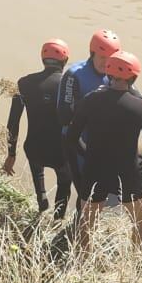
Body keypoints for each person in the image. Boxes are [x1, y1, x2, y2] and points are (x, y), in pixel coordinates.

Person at [63, 51, 142, 250]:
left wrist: (86, 154)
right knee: (139, 222)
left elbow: (71, 138)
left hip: (94, 169)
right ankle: (138, 260)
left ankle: (84, 261)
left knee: (87, 223)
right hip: (127, 171)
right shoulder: (140, 106)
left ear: (108, 74)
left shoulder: (90, 100)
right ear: (134, 77)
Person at [4, 39, 74, 219]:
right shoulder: (70, 87)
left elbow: (12, 123)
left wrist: (11, 154)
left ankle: (42, 202)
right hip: (61, 152)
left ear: (43, 59)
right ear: (65, 61)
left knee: (37, 169)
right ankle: (58, 219)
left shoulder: (23, 83)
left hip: (33, 148)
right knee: (64, 183)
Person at [57, 29, 122, 212]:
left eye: (110, 57)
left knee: (100, 190)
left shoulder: (115, 73)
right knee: (85, 191)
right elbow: (63, 115)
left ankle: (91, 224)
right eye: (101, 56)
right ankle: (79, 228)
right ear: (92, 53)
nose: (105, 62)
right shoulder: (74, 75)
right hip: (76, 141)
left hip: (100, 140)